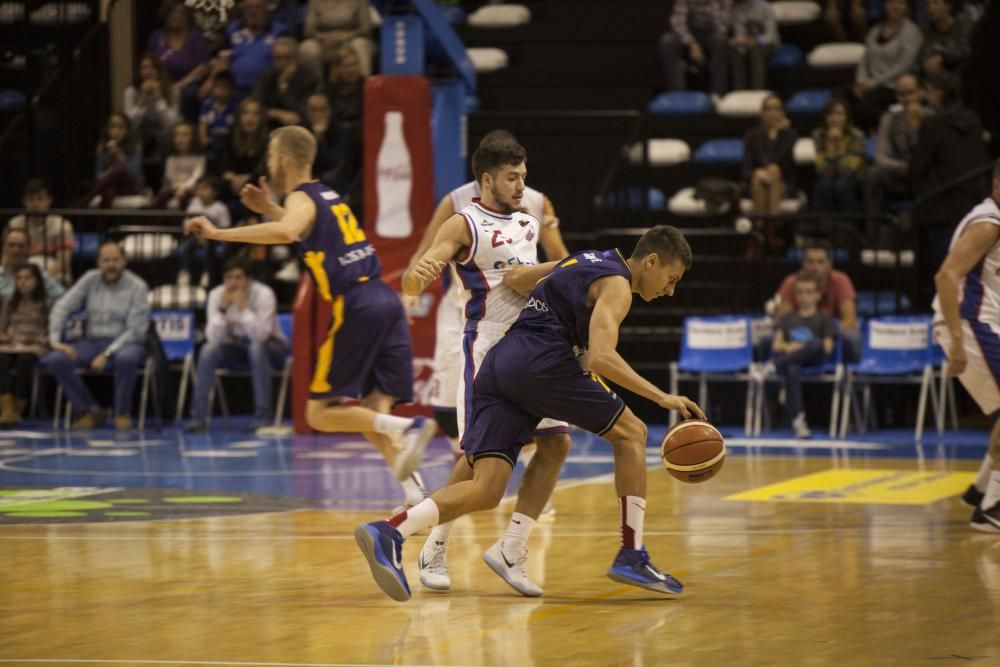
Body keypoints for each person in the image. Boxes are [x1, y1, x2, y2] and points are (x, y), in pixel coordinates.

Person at [355, 226, 705, 602]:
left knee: (487, 489)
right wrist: (661, 397)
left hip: (501, 364)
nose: (669, 291)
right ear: (651, 261)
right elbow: (600, 357)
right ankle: (632, 553)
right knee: (632, 433)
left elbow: (517, 277)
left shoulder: (584, 259)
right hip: (542, 363)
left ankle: (390, 531)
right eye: (671, 280)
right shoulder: (618, 284)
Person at [185, 125, 436, 508]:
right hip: (385, 297)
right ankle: (415, 493)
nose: (268, 162)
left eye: (271, 156)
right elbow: (305, 230)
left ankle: (406, 427)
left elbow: (287, 232)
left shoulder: (302, 197)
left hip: (355, 302)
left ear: (284, 159)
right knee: (373, 408)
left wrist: (219, 233)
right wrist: (269, 208)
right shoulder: (327, 195)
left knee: (318, 413)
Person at [401, 133, 572, 596]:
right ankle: (435, 543)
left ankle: (512, 548)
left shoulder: (528, 222)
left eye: (524, 177)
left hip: (534, 346)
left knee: (556, 446)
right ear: (487, 178)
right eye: (513, 177)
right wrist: (420, 273)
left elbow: (534, 279)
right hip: (488, 349)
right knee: (477, 463)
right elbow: (426, 265)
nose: (521, 185)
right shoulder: (463, 222)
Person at [932, 159, 1000, 533]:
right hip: (970, 325)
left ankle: (980, 490)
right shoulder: (988, 224)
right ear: (996, 187)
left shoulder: (991, 219)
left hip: (981, 323)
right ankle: (993, 507)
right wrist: (957, 340)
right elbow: (945, 276)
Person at [43, 241, 150, 430]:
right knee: (56, 358)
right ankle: (89, 410)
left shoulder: (138, 286)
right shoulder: (90, 279)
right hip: (92, 341)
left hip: (125, 343)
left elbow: (136, 330)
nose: (110, 265)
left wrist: (108, 353)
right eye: (105, 260)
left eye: (115, 260)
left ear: (124, 261)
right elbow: (62, 306)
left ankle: (122, 412)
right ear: (98, 263)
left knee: (127, 358)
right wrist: (55, 340)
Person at [185, 257, 289, 433]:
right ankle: (198, 418)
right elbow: (213, 337)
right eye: (229, 278)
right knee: (208, 350)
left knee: (256, 348)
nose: (233, 283)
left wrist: (242, 309)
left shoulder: (264, 294)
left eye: (238, 277)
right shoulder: (217, 295)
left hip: (271, 348)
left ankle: (263, 417)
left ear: (249, 280)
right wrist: (222, 310)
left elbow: (260, 335)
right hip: (237, 347)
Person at [765, 275, 835, 438]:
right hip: (793, 362)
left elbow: (827, 347)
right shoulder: (788, 318)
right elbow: (777, 345)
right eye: (801, 292)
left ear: (818, 295)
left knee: (816, 344)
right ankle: (798, 421)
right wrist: (790, 347)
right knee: (792, 368)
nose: (805, 296)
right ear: (796, 295)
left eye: (809, 292)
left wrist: (802, 347)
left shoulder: (824, 319)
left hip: (815, 359)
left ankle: (774, 365)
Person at [863, 73, 925, 245]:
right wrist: (905, 166)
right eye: (901, 94)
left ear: (920, 93)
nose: (906, 99)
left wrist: (916, 128)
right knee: (873, 175)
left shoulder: (931, 117)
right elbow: (880, 156)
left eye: (910, 93)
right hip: (903, 174)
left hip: (927, 176)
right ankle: (872, 239)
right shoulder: (889, 118)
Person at [772, 240, 860, 362]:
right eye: (810, 262)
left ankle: (852, 375)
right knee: (768, 339)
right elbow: (782, 320)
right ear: (803, 264)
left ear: (829, 264)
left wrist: (823, 334)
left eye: (820, 262)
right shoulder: (791, 282)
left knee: (852, 337)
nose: (815, 267)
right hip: (797, 334)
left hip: (830, 331)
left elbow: (850, 320)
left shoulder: (841, 281)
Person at [851, 0, 923, 132]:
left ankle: (882, 137)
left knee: (864, 107)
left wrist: (872, 83)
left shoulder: (912, 32)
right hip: (869, 84)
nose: (895, 7)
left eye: (900, 3)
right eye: (891, 2)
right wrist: (860, 80)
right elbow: (864, 58)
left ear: (907, 7)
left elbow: (903, 67)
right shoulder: (875, 30)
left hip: (893, 85)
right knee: (843, 97)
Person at [743, 95, 797, 254]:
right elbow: (745, 169)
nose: (773, 112)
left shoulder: (790, 135)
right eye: (768, 108)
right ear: (761, 113)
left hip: (784, 185)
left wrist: (774, 136)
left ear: (783, 113)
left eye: (777, 108)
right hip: (756, 184)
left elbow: (785, 166)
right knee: (759, 178)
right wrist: (759, 173)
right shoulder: (752, 136)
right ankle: (771, 232)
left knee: (774, 171)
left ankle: (759, 233)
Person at [0, 264, 52, 425]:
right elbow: (1, 328)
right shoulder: (10, 302)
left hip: (37, 344)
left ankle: (18, 407)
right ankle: (7, 407)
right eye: (19, 278)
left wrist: (36, 339)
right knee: (1, 358)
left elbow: (52, 332)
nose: (23, 282)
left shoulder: (47, 303)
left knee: (25, 359)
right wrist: (4, 336)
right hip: (13, 343)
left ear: (37, 281)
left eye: (28, 278)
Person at [146, 0, 211, 121]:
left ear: (187, 16)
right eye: (171, 12)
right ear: (165, 15)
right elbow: (149, 63)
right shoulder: (156, 37)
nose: (176, 16)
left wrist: (180, 85)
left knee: (188, 93)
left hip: (188, 86)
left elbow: (204, 66)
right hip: (161, 84)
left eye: (180, 13)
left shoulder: (196, 37)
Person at [7, 178, 74, 285]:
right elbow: (7, 256)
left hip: (54, 279)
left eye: (40, 199)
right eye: (31, 200)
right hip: (21, 279)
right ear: (24, 201)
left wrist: (40, 281)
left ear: (49, 200)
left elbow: (63, 262)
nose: (35, 204)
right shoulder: (15, 224)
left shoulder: (62, 225)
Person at [658, 0, 729, 96]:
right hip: (688, 31)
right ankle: (677, 93)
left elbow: (721, 26)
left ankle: (716, 95)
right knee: (667, 41)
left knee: (720, 40)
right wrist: (692, 43)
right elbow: (678, 22)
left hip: (711, 32)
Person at [810, 97, 866, 214]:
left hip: (854, 180)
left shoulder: (857, 136)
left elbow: (848, 172)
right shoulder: (818, 135)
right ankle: (822, 228)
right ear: (825, 117)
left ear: (847, 118)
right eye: (830, 114)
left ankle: (847, 229)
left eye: (839, 114)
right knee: (823, 184)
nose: (834, 119)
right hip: (828, 178)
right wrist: (830, 146)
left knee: (842, 185)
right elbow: (822, 171)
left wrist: (839, 144)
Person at [251, 36, 319, 128]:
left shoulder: (308, 78)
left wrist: (284, 84)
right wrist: (278, 114)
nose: (283, 62)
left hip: (298, 126)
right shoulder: (266, 77)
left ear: (296, 58)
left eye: (287, 58)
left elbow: (304, 112)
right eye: (278, 58)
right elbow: (256, 106)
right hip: (269, 125)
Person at [79, 113, 145, 208]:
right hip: (109, 186)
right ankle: (104, 223)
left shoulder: (135, 145)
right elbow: (98, 174)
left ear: (127, 130)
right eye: (112, 126)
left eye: (120, 127)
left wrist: (118, 154)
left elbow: (135, 174)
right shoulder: (103, 146)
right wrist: (109, 174)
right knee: (107, 194)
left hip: (130, 186)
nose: (116, 131)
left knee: (117, 170)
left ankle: (84, 201)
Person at [123, 54, 180, 161]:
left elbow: (172, 124)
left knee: (168, 134)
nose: (148, 71)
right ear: (139, 71)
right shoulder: (131, 90)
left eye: (153, 67)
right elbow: (129, 124)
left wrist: (159, 98)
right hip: (140, 127)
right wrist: (142, 99)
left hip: (162, 127)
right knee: (131, 135)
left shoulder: (172, 90)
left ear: (159, 71)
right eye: (144, 68)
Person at [299, 0, 375, 79]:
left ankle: (364, 86)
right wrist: (323, 37)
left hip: (351, 39)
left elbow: (365, 28)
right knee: (307, 48)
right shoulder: (315, 2)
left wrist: (346, 36)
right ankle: (315, 88)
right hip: (324, 42)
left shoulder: (359, 1)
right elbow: (308, 30)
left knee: (360, 44)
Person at [179, 176, 231, 286]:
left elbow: (225, 228)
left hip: (214, 239)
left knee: (208, 246)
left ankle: (207, 273)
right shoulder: (194, 203)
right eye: (198, 189)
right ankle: (184, 272)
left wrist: (209, 235)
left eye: (205, 189)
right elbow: (187, 224)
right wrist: (197, 235)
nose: (201, 192)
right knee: (185, 247)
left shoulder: (221, 208)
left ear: (215, 192)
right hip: (195, 237)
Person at [0, 228, 65, 300]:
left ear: (28, 249)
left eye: (21, 246)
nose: (16, 250)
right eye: (11, 245)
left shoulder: (40, 276)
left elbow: (63, 299)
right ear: (4, 248)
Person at [153, 121, 206, 209]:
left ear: (193, 137)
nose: (180, 139)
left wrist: (184, 188)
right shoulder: (171, 158)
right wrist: (177, 188)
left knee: (185, 199)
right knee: (161, 196)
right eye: (176, 135)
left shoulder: (199, 158)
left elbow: (197, 176)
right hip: (174, 188)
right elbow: (170, 176)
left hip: (192, 189)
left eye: (185, 135)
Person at [729, 0, 779, 90]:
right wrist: (739, 44)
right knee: (736, 52)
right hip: (747, 44)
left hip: (768, 45)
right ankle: (739, 92)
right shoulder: (737, 9)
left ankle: (758, 90)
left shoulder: (765, 7)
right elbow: (739, 33)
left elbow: (771, 36)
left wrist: (756, 41)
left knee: (755, 50)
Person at [918, 0, 972, 76]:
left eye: (935, 3)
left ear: (948, 7)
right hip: (932, 78)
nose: (930, 8)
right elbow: (922, 57)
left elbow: (965, 52)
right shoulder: (928, 32)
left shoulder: (962, 28)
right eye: (928, 4)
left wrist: (942, 57)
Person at [198, 70, 237, 166]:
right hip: (212, 140)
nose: (220, 92)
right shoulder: (207, 104)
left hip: (228, 139)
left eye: (224, 89)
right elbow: (203, 124)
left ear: (231, 90)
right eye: (217, 88)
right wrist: (203, 139)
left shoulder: (234, 106)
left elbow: (236, 126)